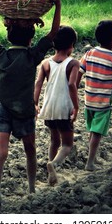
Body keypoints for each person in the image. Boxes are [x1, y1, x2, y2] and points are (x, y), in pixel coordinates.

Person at [0, 0, 61, 209]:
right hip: (25, 110)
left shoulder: (0, 55)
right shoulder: (32, 56)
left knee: (1, 151)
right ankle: (31, 188)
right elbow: (53, 33)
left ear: (8, 36)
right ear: (30, 38)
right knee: (30, 149)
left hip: (4, 109)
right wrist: (58, 5)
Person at [77, 20, 112, 171]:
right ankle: (90, 163)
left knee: (93, 131)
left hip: (88, 100)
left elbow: (79, 73)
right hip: (103, 102)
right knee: (97, 133)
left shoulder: (89, 53)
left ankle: (91, 157)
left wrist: (74, 88)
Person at [34, 26, 79, 185]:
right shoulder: (73, 63)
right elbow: (72, 85)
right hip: (63, 107)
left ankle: (50, 176)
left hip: (49, 107)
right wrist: (76, 106)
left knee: (54, 141)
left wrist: (35, 103)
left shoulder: (46, 63)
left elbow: (38, 83)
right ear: (71, 45)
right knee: (67, 144)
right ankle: (53, 164)